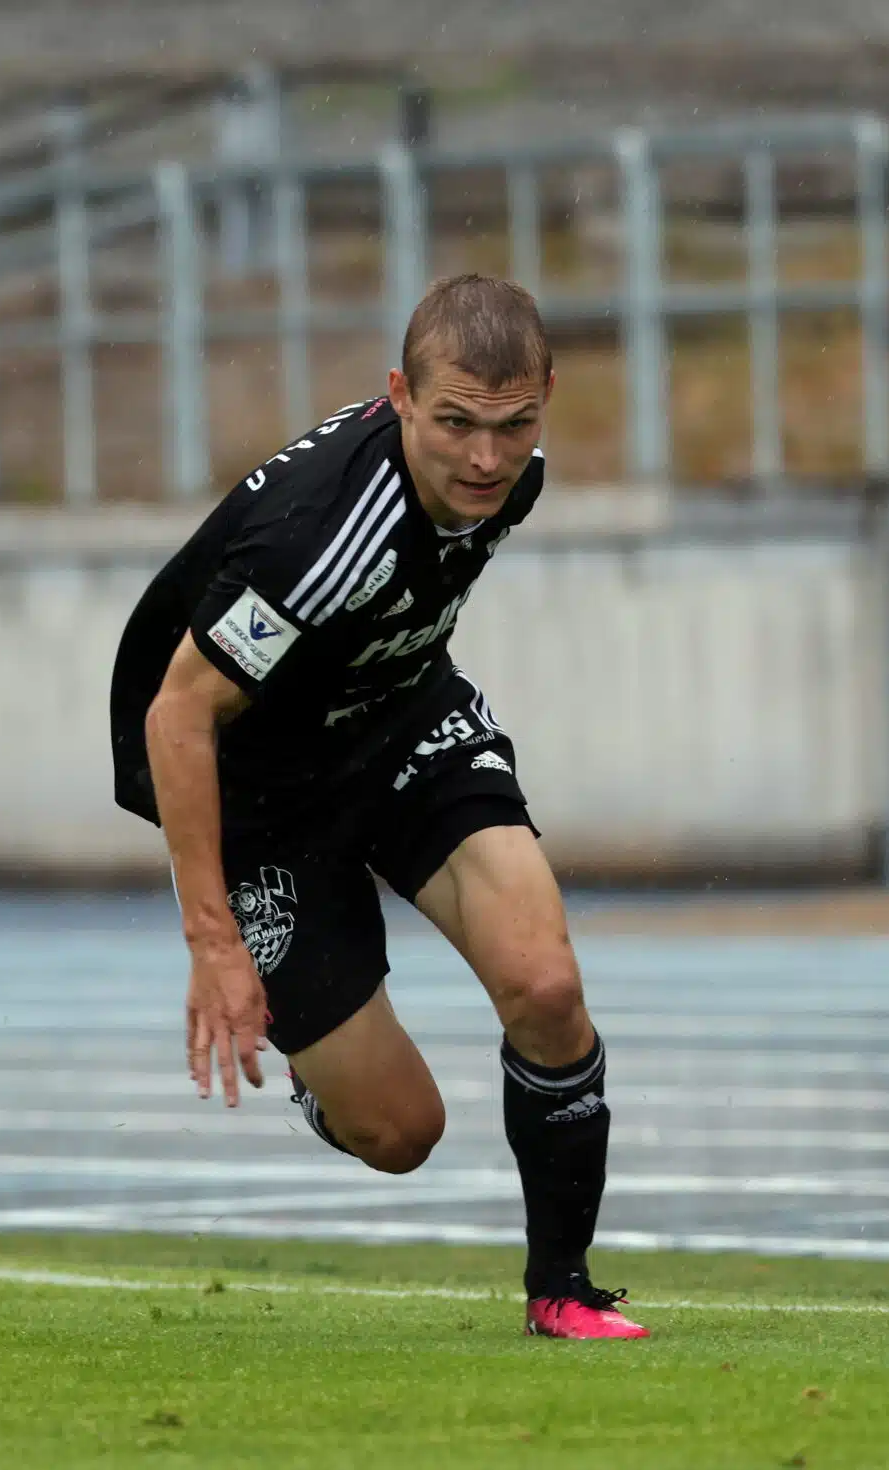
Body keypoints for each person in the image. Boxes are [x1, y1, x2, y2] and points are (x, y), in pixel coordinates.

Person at [108, 273, 645, 1340]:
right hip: (256, 786)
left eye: (512, 425)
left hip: (396, 717)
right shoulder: (315, 542)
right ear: (398, 394)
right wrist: (213, 943)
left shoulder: (514, 472)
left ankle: (563, 1289)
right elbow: (178, 717)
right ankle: (326, 1067)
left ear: (545, 395)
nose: (484, 459)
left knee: (544, 984)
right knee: (401, 1133)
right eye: (454, 424)